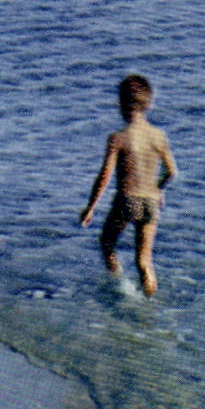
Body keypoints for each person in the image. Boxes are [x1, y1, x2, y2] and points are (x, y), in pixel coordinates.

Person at [79, 74, 179, 296]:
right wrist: (158, 189)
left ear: (121, 104)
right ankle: (148, 309)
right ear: (149, 103)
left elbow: (105, 175)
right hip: (150, 202)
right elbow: (171, 172)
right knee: (144, 262)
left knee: (106, 242)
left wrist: (91, 207)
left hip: (127, 200)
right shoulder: (158, 136)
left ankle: (119, 284)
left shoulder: (118, 138)